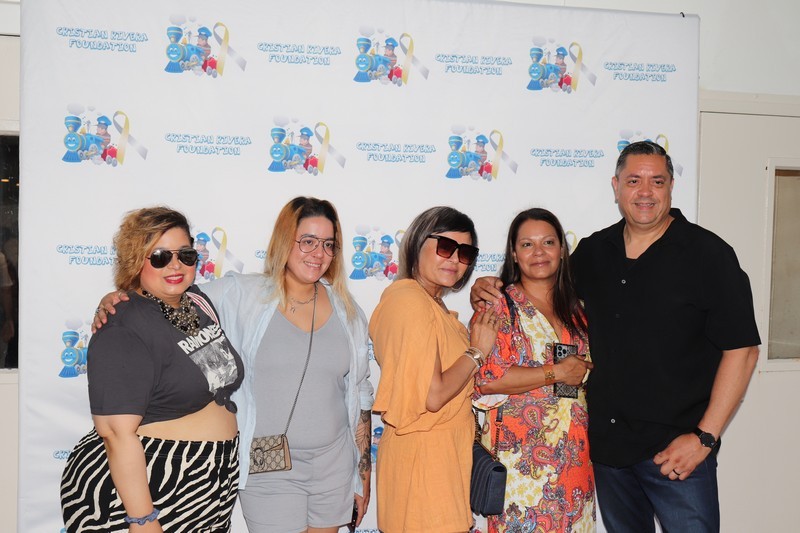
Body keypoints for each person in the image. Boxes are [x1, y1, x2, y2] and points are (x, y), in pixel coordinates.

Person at [471, 141, 760, 532]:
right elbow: (543, 282)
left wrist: (704, 438)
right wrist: (485, 287)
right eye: (634, 180)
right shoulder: (593, 252)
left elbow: (742, 351)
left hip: (676, 454)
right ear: (616, 186)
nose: (645, 192)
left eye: (657, 181)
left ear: (671, 186)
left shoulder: (708, 254)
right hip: (607, 455)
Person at [95, 197, 374, 533]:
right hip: (269, 468)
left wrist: (362, 473)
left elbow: (360, 391)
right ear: (285, 240)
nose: (318, 253)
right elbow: (167, 295)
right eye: (308, 241)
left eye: (328, 244)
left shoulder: (348, 310)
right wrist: (116, 298)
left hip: (332, 467)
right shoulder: (241, 294)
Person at [62, 207, 244, 532]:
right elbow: (115, 433)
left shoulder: (197, 301)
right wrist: (142, 518)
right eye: (160, 256)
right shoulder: (122, 324)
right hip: (153, 482)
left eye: (185, 254)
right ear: (135, 260)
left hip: (206, 481)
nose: (176, 265)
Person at [369, 206, 499, 533]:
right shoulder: (409, 301)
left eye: (465, 252)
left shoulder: (431, 303)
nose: (454, 259)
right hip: (424, 462)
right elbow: (434, 395)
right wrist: (477, 351)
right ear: (417, 242)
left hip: (442, 459)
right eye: (445, 246)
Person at [472, 208, 595, 533]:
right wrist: (557, 373)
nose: (539, 252)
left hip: (576, 465)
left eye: (548, 242)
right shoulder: (499, 306)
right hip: (522, 471)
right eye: (527, 244)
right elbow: (487, 380)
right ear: (514, 253)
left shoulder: (579, 310)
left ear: (562, 249)